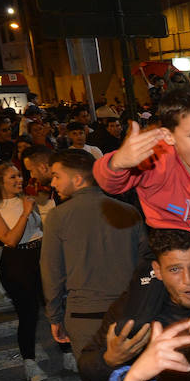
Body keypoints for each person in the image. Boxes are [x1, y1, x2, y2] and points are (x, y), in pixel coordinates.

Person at [94, 85, 190, 336]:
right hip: (164, 248)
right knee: (131, 329)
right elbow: (112, 184)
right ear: (169, 136)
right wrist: (117, 163)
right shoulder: (158, 160)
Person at [76, 228, 190, 381]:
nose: (188, 280)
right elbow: (87, 371)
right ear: (157, 271)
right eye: (175, 269)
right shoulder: (135, 308)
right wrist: (110, 359)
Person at [41, 149, 149, 368]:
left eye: (56, 176)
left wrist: (54, 316)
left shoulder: (58, 217)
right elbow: (145, 265)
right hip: (128, 312)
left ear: (78, 179)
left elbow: (52, 272)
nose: (53, 183)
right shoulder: (129, 211)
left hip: (84, 317)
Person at [0, 165, 47, 381]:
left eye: (19, 175)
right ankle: (30, 363)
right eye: (13, 176)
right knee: (28, 314)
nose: (19, 179)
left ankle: (67, 353)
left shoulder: (26, 199)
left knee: (55, 305)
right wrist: (26, 213)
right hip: (18, 263)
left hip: (41, 256)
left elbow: (40, 230)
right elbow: (10, 239)